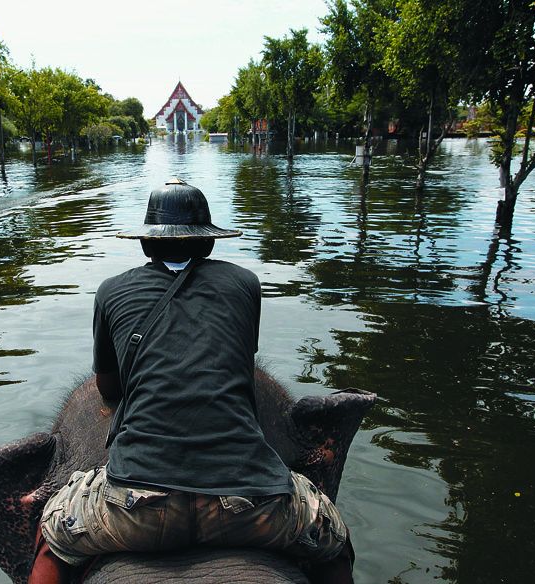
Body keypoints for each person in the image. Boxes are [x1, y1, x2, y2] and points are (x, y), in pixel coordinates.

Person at [29, 179, 355, 584]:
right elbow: (240, 361)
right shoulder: (245, 283)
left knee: (53, 539)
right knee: (334, 541)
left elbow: (110, 390)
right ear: (209, 243)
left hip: (135, 505)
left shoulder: (112, 291)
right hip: (252, 504)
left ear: (147, 244)